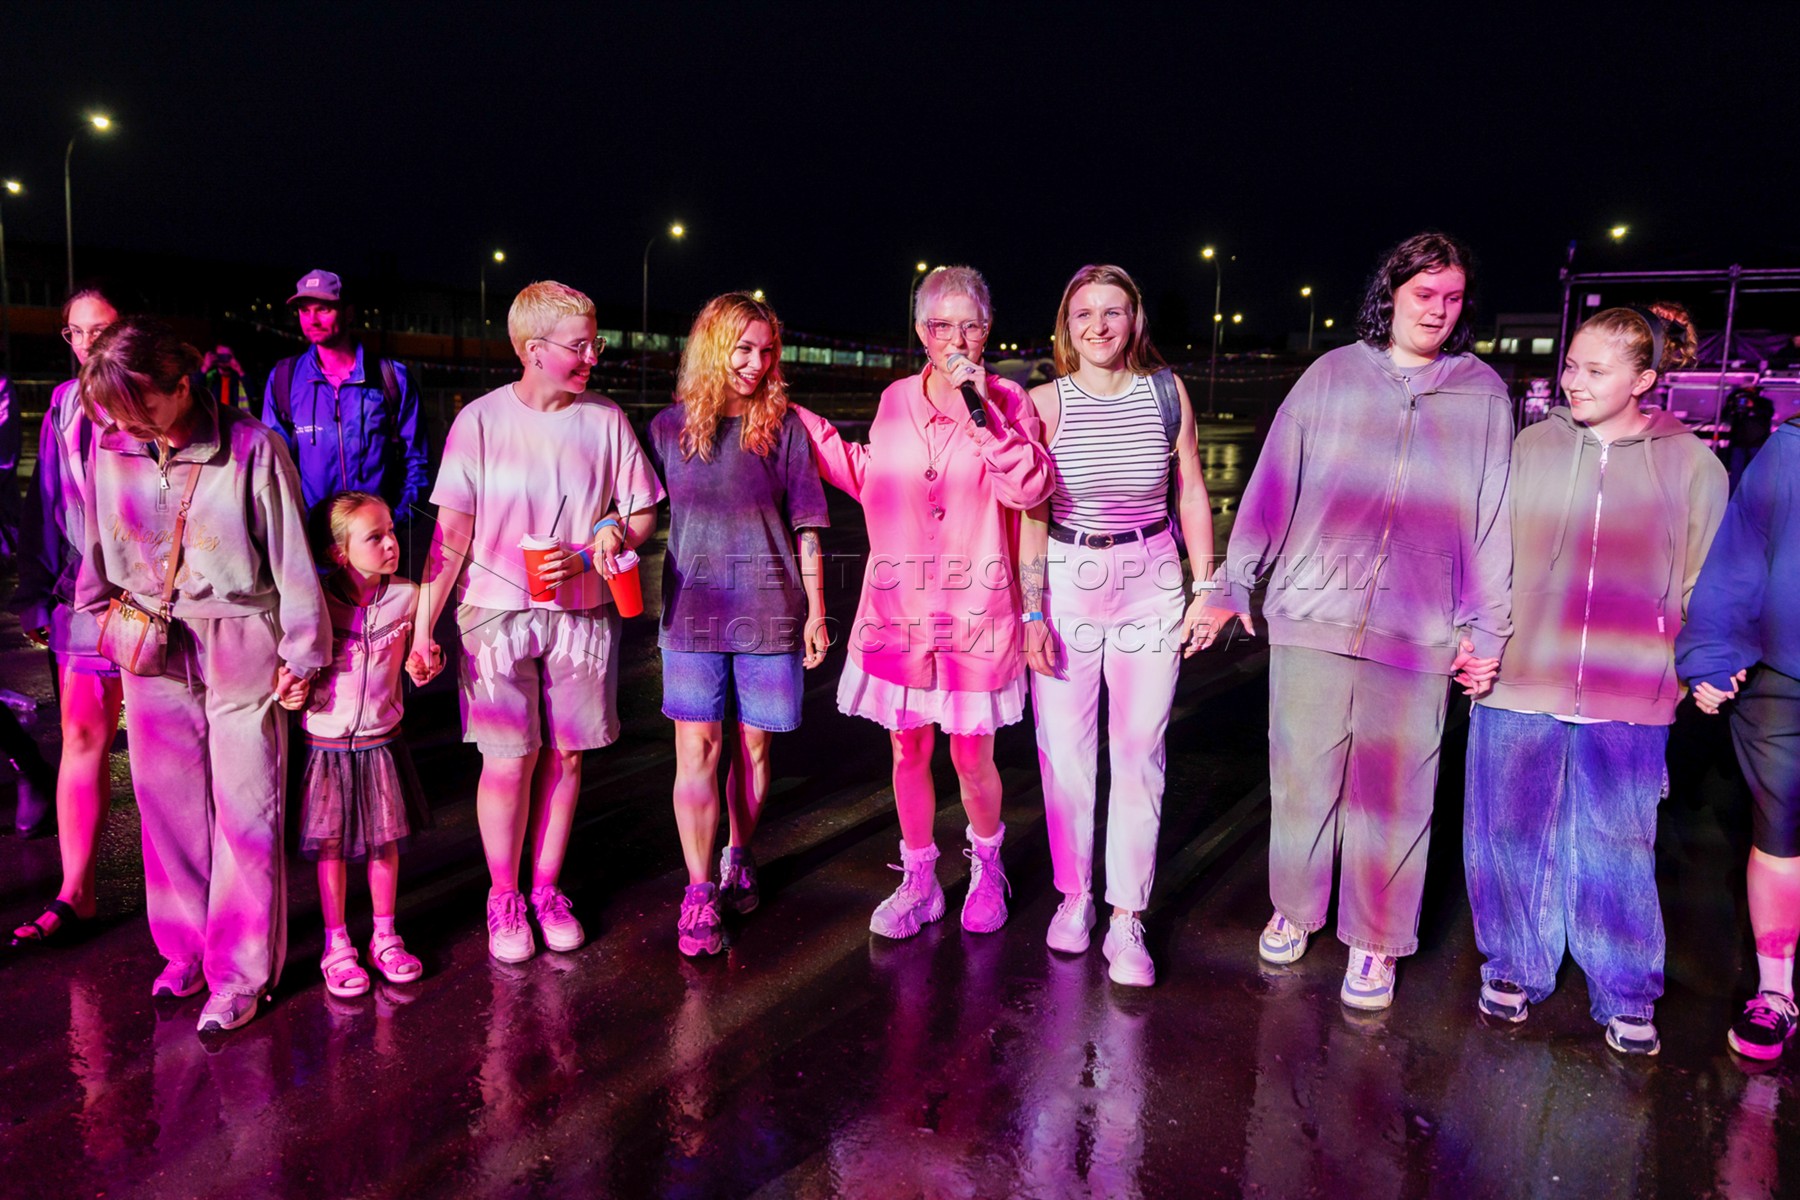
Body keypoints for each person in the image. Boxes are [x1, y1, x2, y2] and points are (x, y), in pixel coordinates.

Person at [1200, 231, 1514, 1011]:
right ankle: (1295, 907)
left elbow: (1493, 519)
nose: (1438, 310)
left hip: (1419, 629)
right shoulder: (1332, 375)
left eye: (1452, 298)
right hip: (1314, 614)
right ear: (1391, 293)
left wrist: (1487, 627)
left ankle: (1376, 939)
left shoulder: (1482, 394)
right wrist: (1235, 580)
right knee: (1302, 777)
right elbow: (1272, 484)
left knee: (1397, 794)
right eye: (1423, 294)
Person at [1465, 304, 1724, 1056]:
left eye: (1595, 370)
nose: (1572, 381)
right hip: (1521, 678)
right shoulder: (1530, 448)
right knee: (1510, 832)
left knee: (1618, 844)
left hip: (1631, 688)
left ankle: (1626, 989)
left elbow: (1705, 583)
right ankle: (1514, 965)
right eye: (1571, 365)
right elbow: (1485, 556)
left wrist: (1701, 664)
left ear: (1643, 380)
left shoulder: (1691, 465)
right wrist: (1473, 640)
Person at [72, 317, 330, 1033]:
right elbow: (94, 543)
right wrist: (93, 615)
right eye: (113, 412)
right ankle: (184, 949)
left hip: (241, 636)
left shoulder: (252, 447)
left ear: (183, 386)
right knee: (167, 806)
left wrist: (303, 653)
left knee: (247, 808)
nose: (125, 424)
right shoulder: (110, 444)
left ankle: (240, 973)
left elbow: (291, 557)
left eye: (140, 407)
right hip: (150, 638)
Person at [793, 265, 1053, 939]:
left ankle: (987, 867)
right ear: (921, 331)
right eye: (942, 326)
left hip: (976, 613)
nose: (956, 340)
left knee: (971, 757)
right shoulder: (894, 399)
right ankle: (920, 880)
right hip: (900, 611)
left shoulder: (1007, 400)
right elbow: (872, 476)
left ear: (987, 330)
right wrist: (798, 420)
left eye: (970, 326)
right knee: (907, 750)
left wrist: (985, 417)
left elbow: (1030, 489)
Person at [410, 281, 663, 965]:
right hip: (494, 614)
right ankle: (504, 896)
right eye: (580, 345)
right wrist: (423, 626)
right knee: (507, 759)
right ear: (532, 349)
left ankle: (547, 889)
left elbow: (641, 510)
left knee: (567, 754)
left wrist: (611, 533)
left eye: (595, 342)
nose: (593, 356)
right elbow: (450, 535)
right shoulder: (480, 422)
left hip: (581, 612)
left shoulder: (605, 419)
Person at [1020, 264, 1216, 987]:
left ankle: (1127, 915)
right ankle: (1075, 896)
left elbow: (1190, 490)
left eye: (1113, 311)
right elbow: (1031, 517)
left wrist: (1207, 587)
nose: (1098, 326)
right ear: (1066, 328)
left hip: (1150, 580)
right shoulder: (1044, 403)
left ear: (1135, 319)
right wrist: (1031, 612)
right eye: (1083, 314)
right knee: (1065, 754)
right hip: (1067, 580)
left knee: (1138, 750)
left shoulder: (1166, 392)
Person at [646, 293, 831, 956]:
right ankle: (699, 892)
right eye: (743, 349)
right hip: (692, 616)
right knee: (697, 749)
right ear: (713, 347)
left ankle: (739, 853)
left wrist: (816, 611)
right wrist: (608, 526)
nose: (756, 363)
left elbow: (808, 526)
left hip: (768, 611)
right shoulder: (667, 429)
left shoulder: (784, 429)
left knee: (753, 749)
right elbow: (634, 506)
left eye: (766, 351)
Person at [1677, 405, 1800, 1061]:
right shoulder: (1789, 450)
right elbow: (1739, 560)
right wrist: (1714, 655)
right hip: (1783, 675)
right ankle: (1776, 992)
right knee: (1778, 831)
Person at [9, 287, 125, 934]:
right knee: (82, 739)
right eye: (74, 332)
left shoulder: (159, 398)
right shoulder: (63, 403)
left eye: (98, 330)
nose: (85, 344)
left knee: (167, 756)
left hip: (156, 605)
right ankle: (74, 892)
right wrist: (33, 589)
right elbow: (46, 499)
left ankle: (188, 906)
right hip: (83, 599)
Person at [300, 491, 432, 997]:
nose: (391, 543)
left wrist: (425, 665)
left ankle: (385, 936)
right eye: (375, 537)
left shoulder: (408, 596)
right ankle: (336, 945)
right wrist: (290, 691)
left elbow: (421, 658)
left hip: (381, 740)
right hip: (326, 743)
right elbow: (290, 667)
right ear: (338, 553)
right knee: (330, 847)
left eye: (392, 531)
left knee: (384, 842)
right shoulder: (315, 600)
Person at [260, 269, 430, 525]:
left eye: (323, 309)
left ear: (349, 313)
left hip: (377, 535)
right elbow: (273, 465)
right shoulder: (284, 378)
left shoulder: (392, 378)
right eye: (304, 310)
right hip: (312, 536)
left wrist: (396, 520)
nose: (312, 320)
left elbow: (417, 460)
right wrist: (297, 525)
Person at [203, 344, 254, 412]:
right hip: (215, 417)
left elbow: (253, 393)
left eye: (227, 357)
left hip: (237, 417)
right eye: (220, 356)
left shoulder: (240, 378)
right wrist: (205, 367)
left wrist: (240, 371)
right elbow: (194, 389)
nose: (224, 360)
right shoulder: (210, 376)